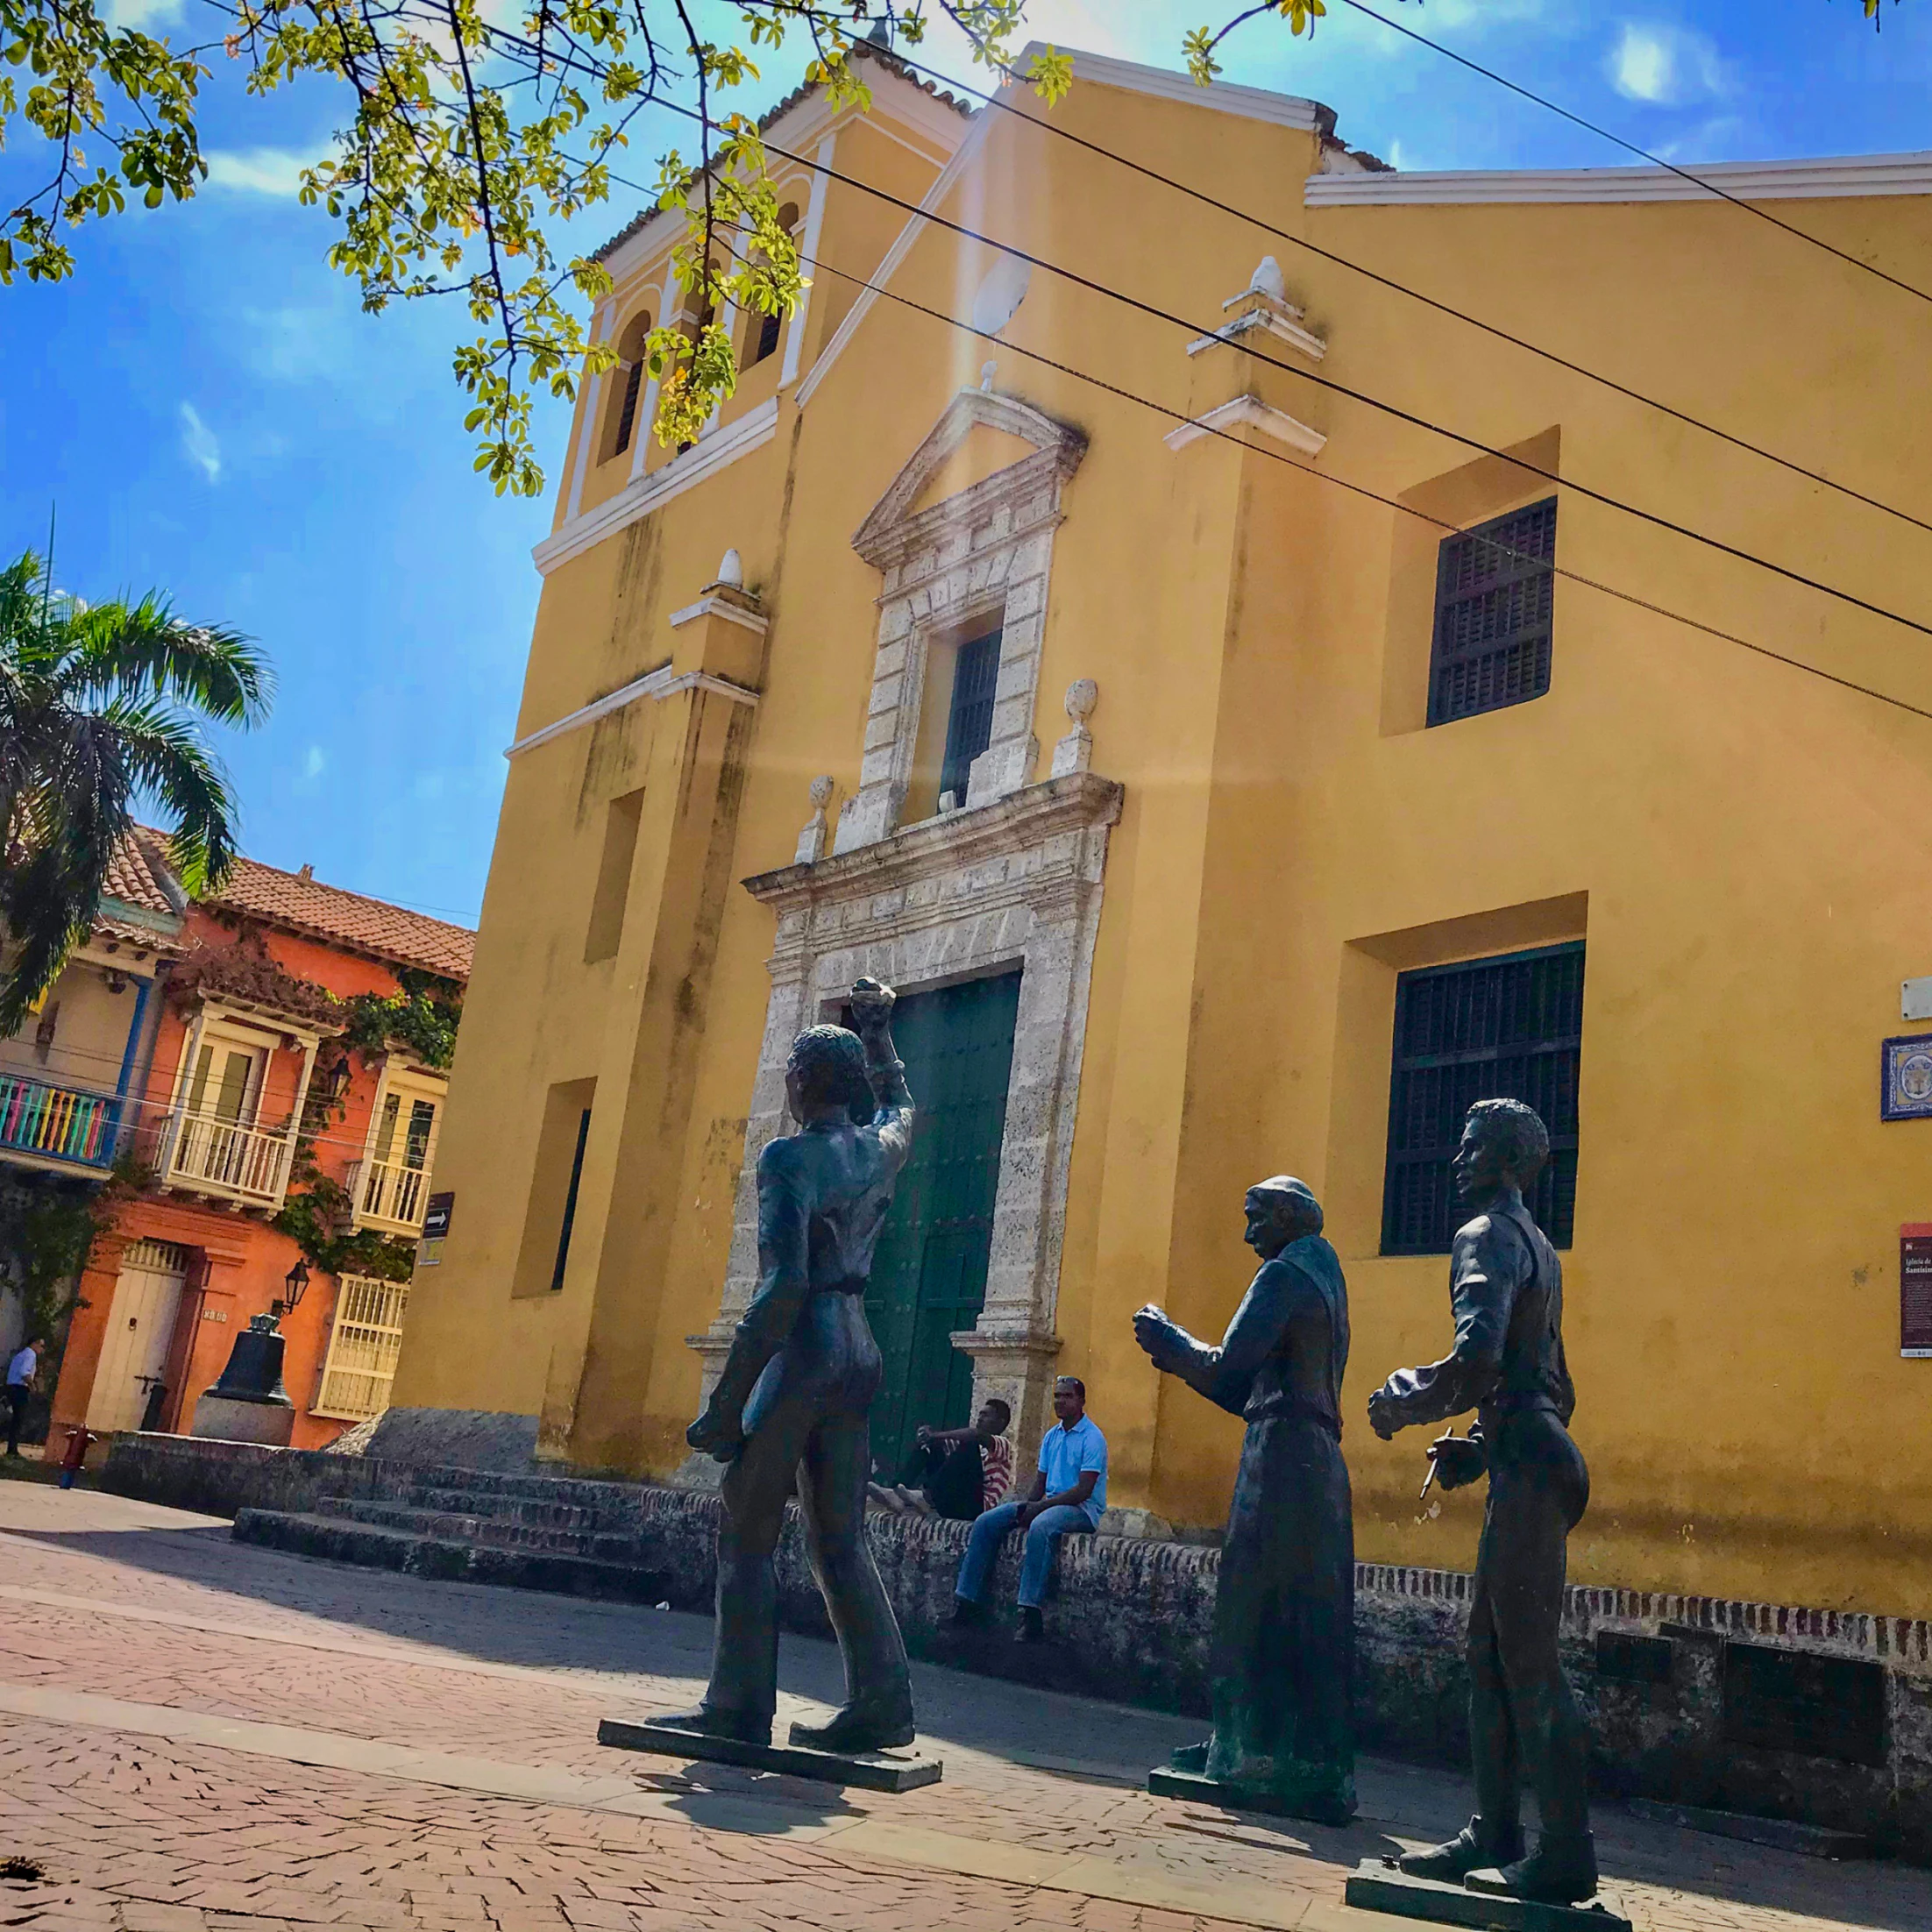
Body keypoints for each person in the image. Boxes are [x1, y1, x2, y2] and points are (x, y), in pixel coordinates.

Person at [675, 979, 920, 1755]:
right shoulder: (879, 1150)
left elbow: (784, 1285)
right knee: (840, 1538)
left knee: (745, 1525)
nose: (784, 1077)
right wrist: (880, 1037)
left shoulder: (789, 1159)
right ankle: (883, 1703)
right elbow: (904, 1110)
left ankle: (738, 1705)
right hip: (860, 1347)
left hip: (809, 1343)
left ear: (806, 1083)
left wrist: (726, 1402)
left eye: (789, 1066)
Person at [1367, 1098, 1597, 1906]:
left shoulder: (1488, 1236)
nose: (1455, 1161)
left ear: (1505, 1160)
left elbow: (1476, 1358)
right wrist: (1481, 1445)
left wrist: (1402, 1397)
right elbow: (1548, 1383)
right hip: (1532, 1454)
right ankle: (1495, 1830)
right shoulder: (1540, 1246)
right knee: (1490, 1657)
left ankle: (1566, 1851)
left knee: (1528, 1663)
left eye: (1469, 1149)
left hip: (1531, 1465)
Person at [1134, 1176, 1356, 1824]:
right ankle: (1251, 1742)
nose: (1247, 1232)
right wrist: (1180, 1360)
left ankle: (1253, 1755)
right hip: (1305, 1451)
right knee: (1293, 1608)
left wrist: (1172, 1343)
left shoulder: (1284, 1277)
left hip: (1283, 1455)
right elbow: (1243, 1391)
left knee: (1256, 1601)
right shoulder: (1324, 1278)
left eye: (1256, 1217)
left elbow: (1231, 1367)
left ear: (1287, 1218)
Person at [948, 1376, 1106, 1644]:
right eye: (1057, 1396)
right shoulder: (1051, 1437)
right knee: (986, 1522)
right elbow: (1040, 1484)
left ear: (1081, 1401)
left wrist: (1039, 1508)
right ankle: (967, 1603)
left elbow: (1083, 1490)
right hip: (1050, 1503)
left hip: (1081, 1510)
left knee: (1041, 1526)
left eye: (1067, 1396)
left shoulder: (1093, 1438)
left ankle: (1030, 1613)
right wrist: (1026, 1507)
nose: (1060, 1401)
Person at [870, 1399, 1013, 1522]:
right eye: (980, 1414)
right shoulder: (972, 1446)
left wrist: (934, 1435)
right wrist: (926, 1435)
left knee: (968, 1442)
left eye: (986, 1415)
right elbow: (943, 1444)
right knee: (930, 1445)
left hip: (975, 1508)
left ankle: (926, 1497)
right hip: (952, 1499)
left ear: (1000, 1422)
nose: (980, 1418)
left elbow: (974, 1435)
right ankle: (896, 1493)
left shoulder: (1003, 1445)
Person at [4, 1338, 42, 1458]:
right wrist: (32, 1385)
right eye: (41, 1346)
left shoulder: (21, 1354)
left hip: (11, 1387)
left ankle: (11, 1447)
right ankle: (12, 1449)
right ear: (34, 1344)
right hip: (20, 1389)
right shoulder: (30, 1354)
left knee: (15, 1418)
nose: (42, 1349)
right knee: (19, 1419)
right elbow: (24, 1372)